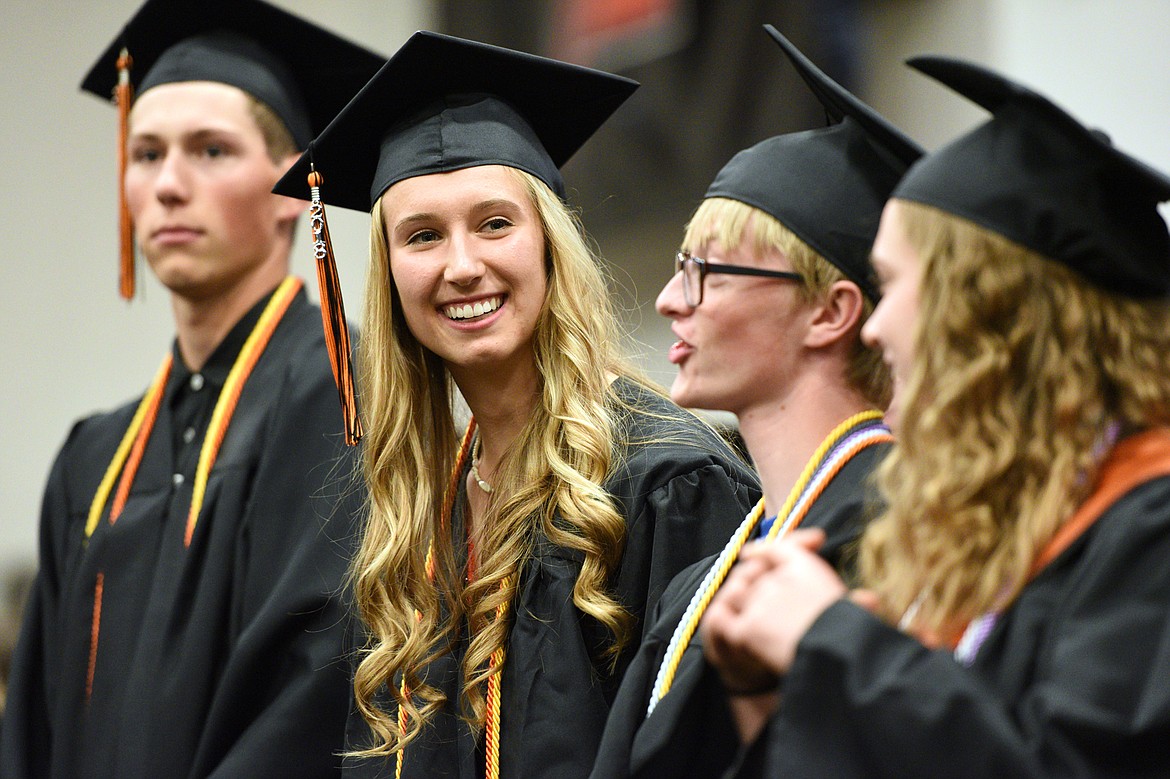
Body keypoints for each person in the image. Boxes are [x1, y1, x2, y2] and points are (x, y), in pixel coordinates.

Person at [271, 30, 761, 779]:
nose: (463, 266)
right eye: (423, 235)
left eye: (495, 223)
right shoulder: (423, 510)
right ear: (391, 273)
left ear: (548, 243)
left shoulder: (667, 484)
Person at [700, 56, 1170, 778]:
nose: (876, 328)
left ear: (990, 312)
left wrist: (832, 637)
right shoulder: (980, 527)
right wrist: (762, 690)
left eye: (890, 287)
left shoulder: (1148, 526)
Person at [0, 2, 385, 777]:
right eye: (145, 153)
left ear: (288, 193)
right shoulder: (94, 457)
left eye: (211, 150)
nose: (169, 184)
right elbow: (33, 728)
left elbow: (318, 700)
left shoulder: (345, 398)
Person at [587, 25, 922, 778]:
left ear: (831, 312)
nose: (672, 300)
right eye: (679, 268)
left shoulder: (910, 534)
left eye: (708, 271)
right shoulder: (702, 579)